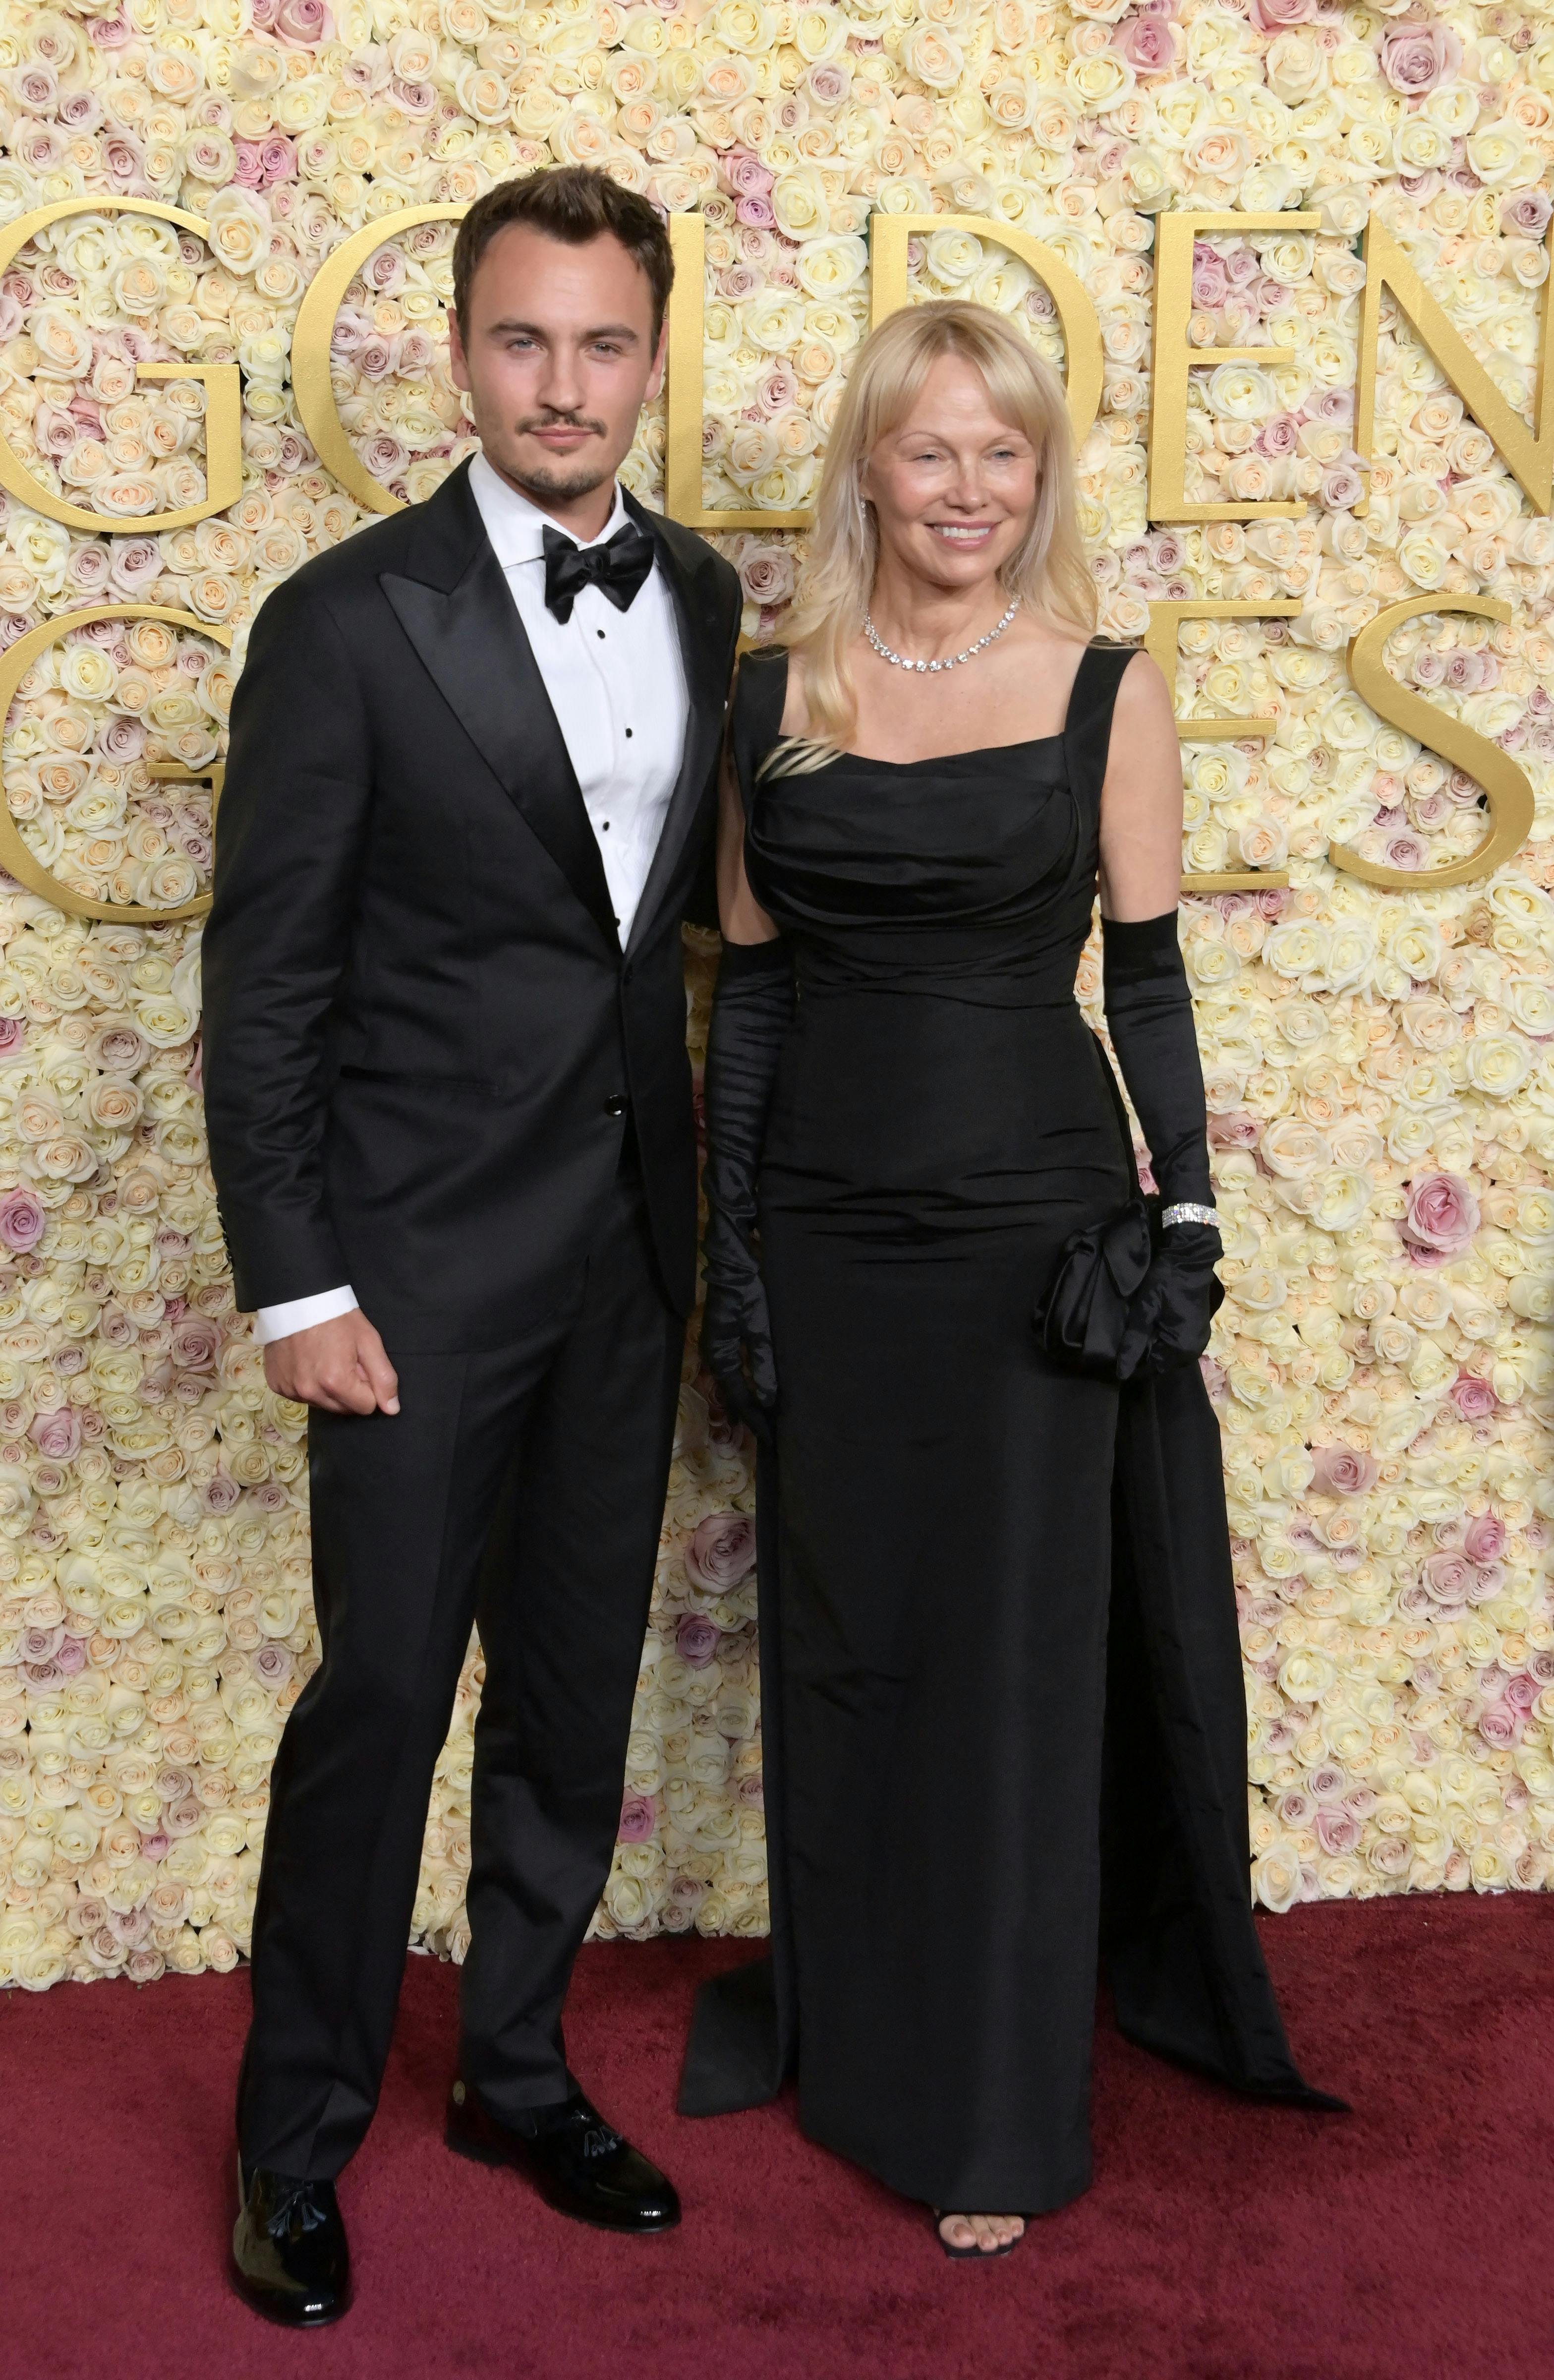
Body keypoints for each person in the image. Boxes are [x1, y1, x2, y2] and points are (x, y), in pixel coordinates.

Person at [679, 299, 1340, 2259]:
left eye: (1004, 453)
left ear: (1038, 475)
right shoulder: (768, 694)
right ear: (867, 467)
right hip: (832, 1231)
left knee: (1016, 1675)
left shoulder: (1102, 685)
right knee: (856, 1645)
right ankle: (867, 2022)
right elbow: (759, 997)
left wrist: (1192, 1215)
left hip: (1034, 1239)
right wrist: (734, 1257)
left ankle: (990, 2115)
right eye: (928, 449)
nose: (967, 488)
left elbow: (1141, 973)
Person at [202, 166, 741, 2325]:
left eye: (604, 344)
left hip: (627, 1246)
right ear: (458, 352)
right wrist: (297, 1282)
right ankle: (291, 2136)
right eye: (523, 340)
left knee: (576, 1697)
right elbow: (266, 985)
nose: (563, 384)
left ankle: (514, 2066)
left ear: (652, 358)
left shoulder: (702, 591)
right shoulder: (344, 619)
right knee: (383, 1705)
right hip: (410, 1271)